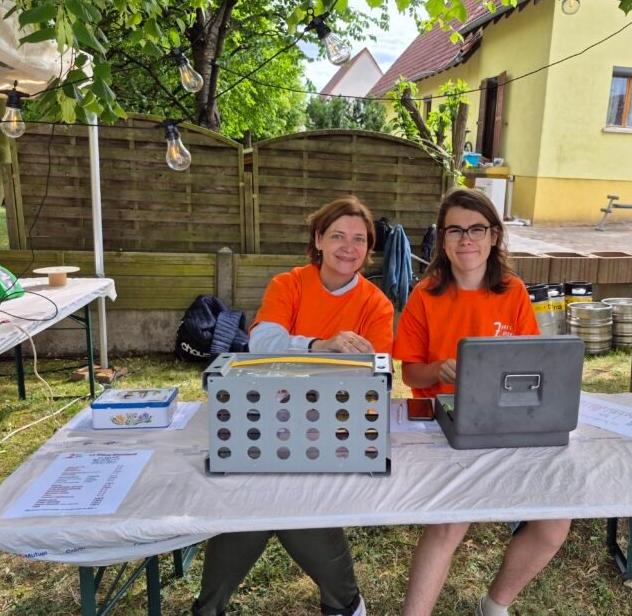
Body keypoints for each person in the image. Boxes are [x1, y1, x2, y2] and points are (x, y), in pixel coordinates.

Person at [193, 197, 394, 616]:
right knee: (266, 492)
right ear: (318, 240)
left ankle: (210, 609)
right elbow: (260, 343)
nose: (348, 247)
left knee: (273, 499)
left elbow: (372, 378)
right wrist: (322, 347)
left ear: (369, 249)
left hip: (336, 426)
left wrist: (301, 366)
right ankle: (344, 604)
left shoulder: (376, 304)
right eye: (337, 235)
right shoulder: (290, 284)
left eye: (359, 239)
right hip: (270, 417)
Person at [393, 188, 569, 616]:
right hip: (445, 428)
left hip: (507, 422)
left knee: (554, 523)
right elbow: (409, 374)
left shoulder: (512, 291)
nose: (466, 239)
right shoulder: (425, 294)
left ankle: (495, 604)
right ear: (443, 239)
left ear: (493, 236)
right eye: (455, 230)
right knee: (451, 522)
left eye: (476, 229)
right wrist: (438, 370)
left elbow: (534, 366)